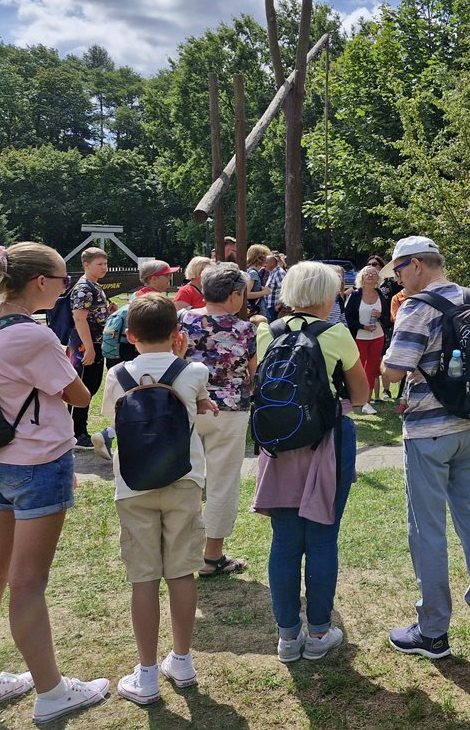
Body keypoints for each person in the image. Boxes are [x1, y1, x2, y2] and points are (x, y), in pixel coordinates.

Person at [0, 243, 109, 722]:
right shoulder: (31, 335)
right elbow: (79, 392)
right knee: (28, 583)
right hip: (37, 465)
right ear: (39, 283)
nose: (66, 286)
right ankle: (52, 693)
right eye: (62, 279)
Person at [380, 236, 470, 659]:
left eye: (399, 271)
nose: (397, 280)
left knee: (428, 530)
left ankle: (432, 631)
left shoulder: (417, 307)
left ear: (417, 265)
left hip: (428, 432)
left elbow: (391, 370)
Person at [98, 295, 214, 705]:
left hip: (133, 485)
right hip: (183, 479)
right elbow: (197, 408)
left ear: (129, 336)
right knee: (182, 571)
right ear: (177, 334)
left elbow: (112, 421)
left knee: (143, 577)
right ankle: (181, 660)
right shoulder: (194, 370)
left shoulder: (117, 373)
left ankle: (146, 672)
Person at [251, 262, 369, 662]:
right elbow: (362, 394)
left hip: (280, 444)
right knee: (321, 538)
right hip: (327, 442)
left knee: (284, 540)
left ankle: (287, 637)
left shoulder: (267, 331)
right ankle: (319, 632)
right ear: (326, 295)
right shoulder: (336, 334)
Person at [178, 262, 257, 576]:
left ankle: (182, 552)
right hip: (230, 410)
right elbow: (253, 372)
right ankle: (212, 556)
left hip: (187, 406)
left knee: (185, 480)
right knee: (223, 482)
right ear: (235, 295)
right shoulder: (245, 329)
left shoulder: (183, 319)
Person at [67, 246, 111, 448]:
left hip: (95, 343)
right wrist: (89, 347)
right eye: (99, 264)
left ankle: (78, 430)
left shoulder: (95, 286)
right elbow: (79, 318)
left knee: (91, 387)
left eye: (105, 263)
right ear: (86, 265)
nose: (104, 267)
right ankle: (76, 433)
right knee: (83, 387)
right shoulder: (84, 288)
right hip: (86, 345)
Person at [346, 265, 385, 413]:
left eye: (374, 273)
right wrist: (363, 326)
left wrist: (380, 316)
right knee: (358, 368)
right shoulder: (355, 295)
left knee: (372, 367)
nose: (370, 275)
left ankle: (366, 402)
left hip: (378, 336)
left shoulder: (380, 294)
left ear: (378, 278)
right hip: (360, 337)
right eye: (367, 273)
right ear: (361, 277)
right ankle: (354, 398)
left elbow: (387, 316)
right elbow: (348, 317)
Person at [243, 244, 272, 315]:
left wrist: (261, 288)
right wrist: (264, 292)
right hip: (257, 312)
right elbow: (247, 294)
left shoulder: (251, 271)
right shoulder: (253, 273)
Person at [260, 252, 286, 322]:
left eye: (266, 263)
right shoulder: (272, 272)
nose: (264, 265)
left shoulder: (279, 273)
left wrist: (280, 304)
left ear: (272, 263)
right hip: (269, 306)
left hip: (275, 308)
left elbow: (285, 290)